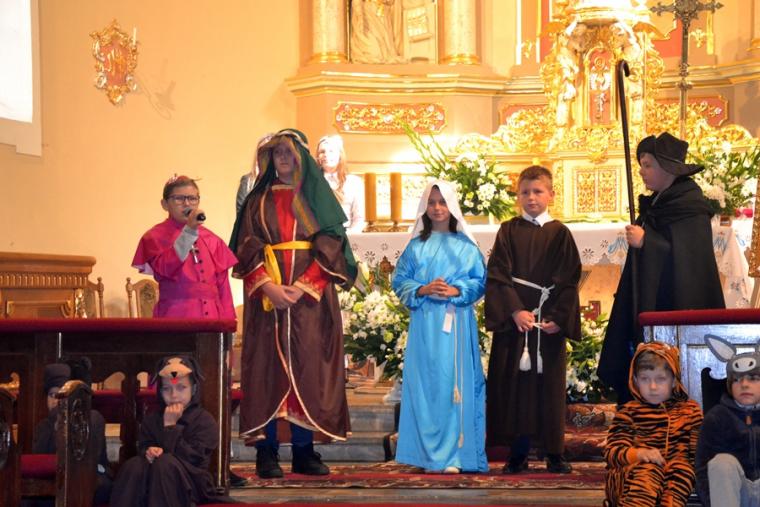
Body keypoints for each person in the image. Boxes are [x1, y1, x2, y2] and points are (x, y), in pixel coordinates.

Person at [229, 128, 357, 478]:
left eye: (288, 152)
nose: (282, 159)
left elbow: (331, 244)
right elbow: (246, 246)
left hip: (310, 301)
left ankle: (304, 451)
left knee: (309, 369)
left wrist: (302, 287)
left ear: (301, 158)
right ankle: (266, 453)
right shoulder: (257, 200)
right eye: (277, 153)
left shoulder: (316, 199)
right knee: (267, 371)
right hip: (267, 301)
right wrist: (268, 286)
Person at [598, 132, 725, 404]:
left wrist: (647, 242)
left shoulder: (690, 205)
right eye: (641, 165)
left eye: (647, 165)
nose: (641, 172)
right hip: (654, 299)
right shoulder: (658, 202)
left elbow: (688, 260)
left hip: (679, 301)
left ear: (668, 168)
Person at [484, 165, 581, 475]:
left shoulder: (560, 233)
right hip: (516, 324)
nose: (531, 197)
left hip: (547, 324)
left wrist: (558, 317)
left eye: (538, 191)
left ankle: (554, 452)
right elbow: (498, 274)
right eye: (525, 192)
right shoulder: (508, 230)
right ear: (518, 196)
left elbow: (569, 279)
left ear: (551, 194)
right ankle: (518, 452)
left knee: (548, 389)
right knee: (516, 388)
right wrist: (514, 310)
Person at [392, 180, 488, 474]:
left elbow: (480, 281)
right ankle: (427, 456)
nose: (437, 208)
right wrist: (423, 289)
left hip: (456, 323)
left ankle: (456, 456)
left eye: (442, 202)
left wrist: (457, 290)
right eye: (432, 202)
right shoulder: (415, 247)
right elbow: (400, 281)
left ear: (452, 206)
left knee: (452, 384)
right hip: (425, 325)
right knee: (426, 387)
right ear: (424, 207)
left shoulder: (466, 247)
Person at [110, 356, 235, 507]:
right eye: (166, 388)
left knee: (165, 463)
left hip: (191, 481)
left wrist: (170, 427)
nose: (174, 395)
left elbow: (192, 458)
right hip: (154, 477)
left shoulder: (204, 421)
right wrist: (149, 451)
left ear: (194, 389)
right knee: (134, 465)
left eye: (181, 388)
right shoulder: (152, 419)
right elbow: (144, 444)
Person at [603, 342, 703, 507]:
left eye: (661, 379)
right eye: (645, 379)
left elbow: (697, 455)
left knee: (682, 469)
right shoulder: (628, 412)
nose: (653, 387)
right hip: (630, 480)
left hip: (674, 477)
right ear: (635, 380)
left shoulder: (690, 410)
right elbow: (612, 453)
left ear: (674, 381)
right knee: (650, 470)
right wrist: (638, 454)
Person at [132, 174, 237, 320]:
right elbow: (166, 268)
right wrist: (189, 232)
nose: (187, 203)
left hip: (213, 319)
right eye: (179, 198)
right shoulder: (154, 237)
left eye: (192, 198)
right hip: (175, 318)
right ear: (164, 204)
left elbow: (224, 289)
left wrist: (228, 324)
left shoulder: (213, 240)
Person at [27, 360, 112, 507]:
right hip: (54, 481)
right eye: (52, 395)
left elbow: (84, 458)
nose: (55, 401)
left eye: (61, 395)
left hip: (91, 480)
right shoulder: (44, 426)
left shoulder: (93, 418)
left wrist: (63, 420)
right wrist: (56, 423)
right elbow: (41, 460)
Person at [696, 334, 760, 507]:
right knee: (721, 463)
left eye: (753, 378)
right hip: (733, 495)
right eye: (737, 379)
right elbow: (702, 468)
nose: (744, 384)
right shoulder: (717, 417)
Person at [316, 134, 365, 233]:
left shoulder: (354, 182)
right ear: (317, 156)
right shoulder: (312, 182)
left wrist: (348, 236)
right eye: (322, 151)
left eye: (331, 151)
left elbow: (359, 219)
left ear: (340, 155)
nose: (326, 154)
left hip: (346, 235)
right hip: (319, 236)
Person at [236, 133, 274, 215]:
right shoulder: (248, 182)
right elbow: (241, 217)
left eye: (270, 152)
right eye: (262, 152)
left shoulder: (286, 183)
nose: (265, 156)